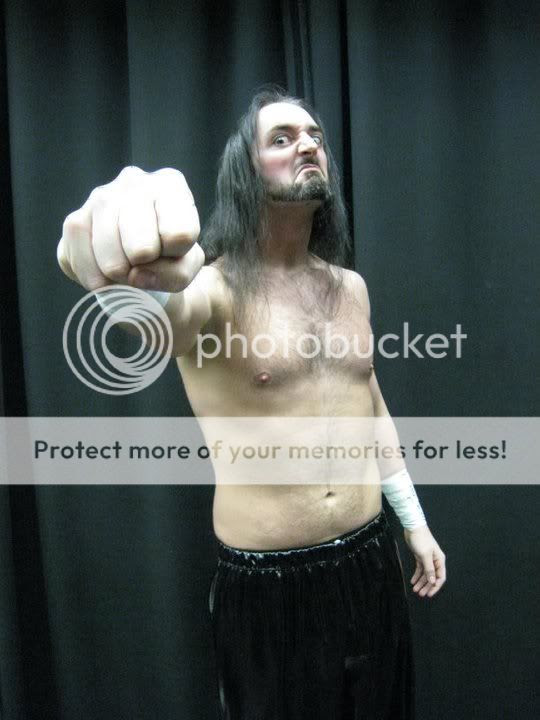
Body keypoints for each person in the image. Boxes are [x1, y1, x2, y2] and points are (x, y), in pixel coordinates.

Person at [57, 88, 446, 719]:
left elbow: (370, 405)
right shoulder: (211, 290)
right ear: (245, 170)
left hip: (370, 562)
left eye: (314, 136)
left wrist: (415, 522)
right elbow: (160, 320)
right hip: (269, 587)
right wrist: (116, 270)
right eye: (282, 139)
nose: (308, 145)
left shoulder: (350, 288)